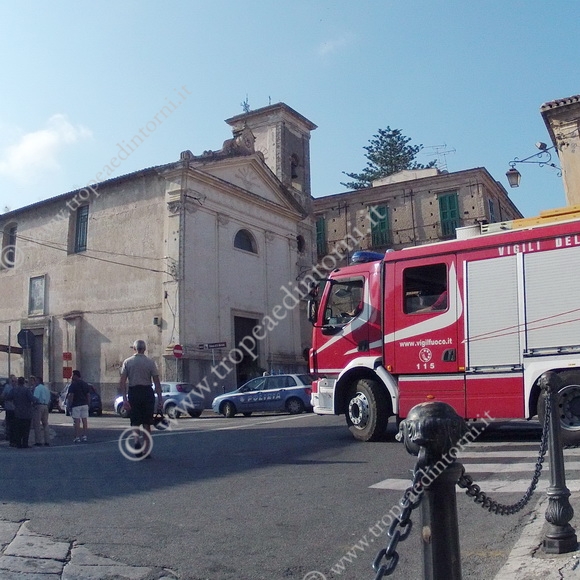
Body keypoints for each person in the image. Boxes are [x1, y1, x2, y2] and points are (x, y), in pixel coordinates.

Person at [120, 340, 163, 458]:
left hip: (134, 392)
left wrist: (125, 399)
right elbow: (157, 382)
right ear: (144, 349)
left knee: (135, 421)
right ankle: (146, 450)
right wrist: (160, 399)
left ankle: (136, 441)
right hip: (147, 392)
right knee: (147, 422)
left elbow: (123, 382)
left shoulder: (127, 362)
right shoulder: (150, 362)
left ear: (134, 349)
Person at [6, 377, 34, 448]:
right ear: (24, 382)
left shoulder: (14, 390)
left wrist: (14, 403)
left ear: (18, 382)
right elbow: (32, 399)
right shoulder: (27, 390)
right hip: (27, 413)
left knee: (17, 429)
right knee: (26, 429)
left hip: (17, 412)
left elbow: (8, 397)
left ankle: (18, 443)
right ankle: (25, 443)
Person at [66, 370, 90, 443]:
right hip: (84, 404)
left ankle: (77, 437)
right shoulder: (85, 384)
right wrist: (88, 404)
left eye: (72, 375)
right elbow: (88, 395)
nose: (71, 377)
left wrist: (69, 405)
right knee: (84, 420)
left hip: (76, 404)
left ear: (76, 376)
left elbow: (71, 395)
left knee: (76, 421)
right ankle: (85, 436)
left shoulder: (73, 384)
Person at [31, 376, 51, 446]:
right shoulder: (46, 388)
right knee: (45, 423)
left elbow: (35, 398)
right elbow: (49, 398)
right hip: (46, 405)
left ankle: (38, 441)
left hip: (38, 405)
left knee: (37, 424)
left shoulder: (37, 388)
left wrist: (32, 404)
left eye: (36, 381)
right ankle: (47, 440)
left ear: (38, 381)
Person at [2, 375, 17, 444]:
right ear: (10, 380)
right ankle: (8, 435)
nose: (14, 382)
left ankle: (13, 436)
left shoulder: (17, 387)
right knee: (8, 422)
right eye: (13, 380)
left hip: (16, 408)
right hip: (9, 407)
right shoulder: (7, 387)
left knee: (14, 423)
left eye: (15, 381)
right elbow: (3, 396)